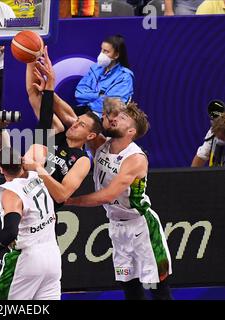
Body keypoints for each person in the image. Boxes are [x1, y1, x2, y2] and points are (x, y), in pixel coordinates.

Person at [66, 102, 173, 300]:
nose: (115, 119)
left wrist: (68, 200)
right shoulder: (100, 144)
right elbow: (73, 119)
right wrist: (49, 91)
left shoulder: (135, 158)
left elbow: (108, 195)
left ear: (131, 131)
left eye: (122, 119)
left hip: (142, 227)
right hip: (117, 227)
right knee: (129, 288)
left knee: (157, 288)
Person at [0, 148, 61, 300]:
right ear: (22, 162)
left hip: (28, 259)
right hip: (53, 256)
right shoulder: (38, 176)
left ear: (0, 168)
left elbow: (10, 232)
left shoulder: (11, 192)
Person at [23, 46, 102, 208]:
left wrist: (38, 169)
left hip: (43, 214)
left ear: (90, 136)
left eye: (81, 125)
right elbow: (34, 94)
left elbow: (61, 195)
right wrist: (31, 58)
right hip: (22, 199)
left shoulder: (82, 160)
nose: (74, 125)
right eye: (76, 120)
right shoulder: (57, 132)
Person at [75, 35, 134, 117]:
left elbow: (112, 105)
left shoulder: (125, 76)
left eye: (106, 51)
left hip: (103, 117)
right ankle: (50, 130)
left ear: (116, 55)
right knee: (54, 117)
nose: (101, 54)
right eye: (101, 50)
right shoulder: (95, 68)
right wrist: (99, 95)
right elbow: (79, 94)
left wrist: (90, 100)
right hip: (84, 110)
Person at [192, 101, 225, 167]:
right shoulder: (213, 132)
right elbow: (201, 157)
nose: (220, 140)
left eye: (222, 138)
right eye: (219, 138)